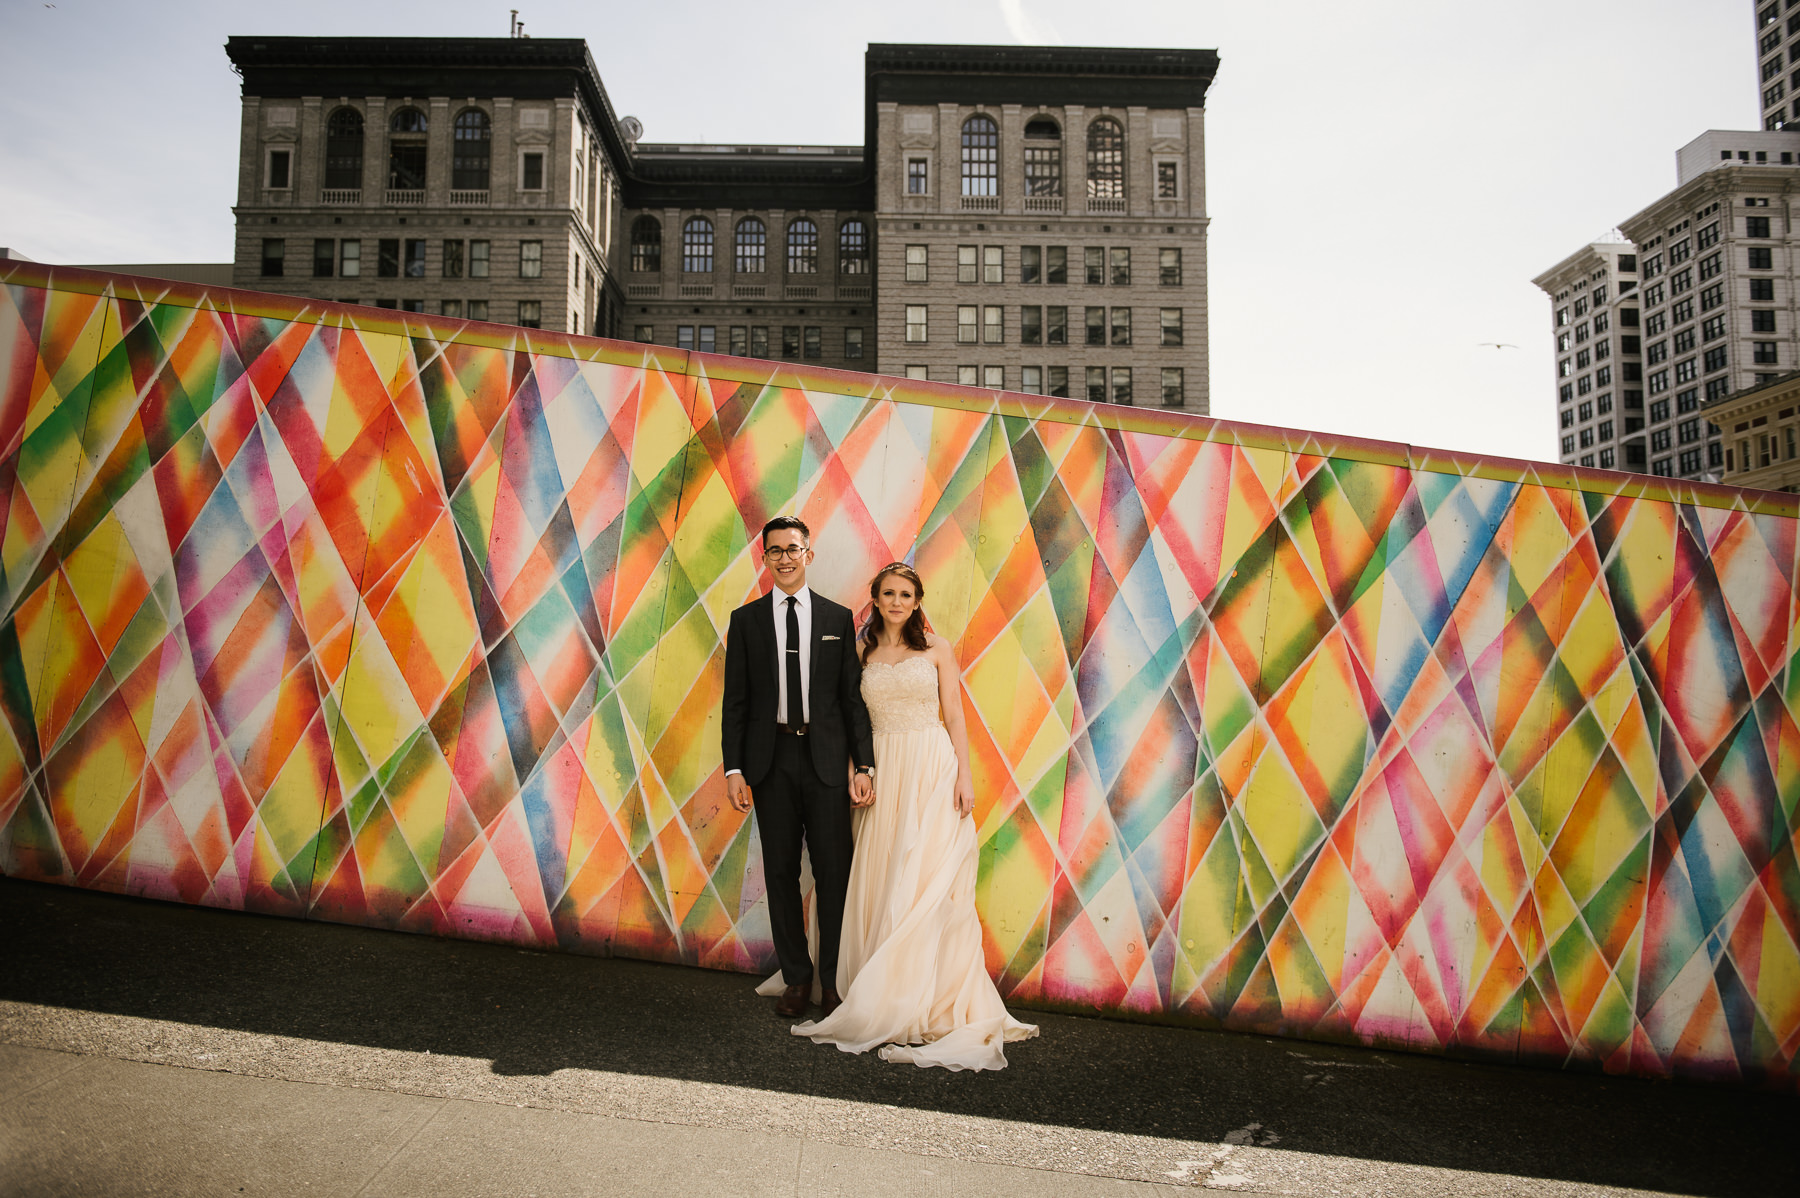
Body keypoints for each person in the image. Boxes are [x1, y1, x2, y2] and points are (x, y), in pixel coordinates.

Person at [790, 561, 1039, 1071]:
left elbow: (954, 714)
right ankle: (869, 983)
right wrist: (857, 769)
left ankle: (923, 994)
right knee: (880, 874)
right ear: (876, 599)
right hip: (881, 766)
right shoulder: (861, 651)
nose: (897, 601)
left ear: (918, 599)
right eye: (888, 593)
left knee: (926, 876)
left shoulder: (938, 649)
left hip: (930, 765)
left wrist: (964, 776)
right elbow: (848, 714)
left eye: (906, 593)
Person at [721, 516, 876, 1019]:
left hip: (828, 762)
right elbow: (736, 703)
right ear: (763, 559)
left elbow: (851, 701)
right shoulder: (746, 621)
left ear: (809, 555)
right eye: (774, 551)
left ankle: (830, 982)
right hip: (771, 763)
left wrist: (864, 766)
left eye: (793, 549)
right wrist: (735, 770)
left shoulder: (837, 618)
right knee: (782, 872)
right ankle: (796, 978)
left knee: (834, 874)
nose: (784, 558)